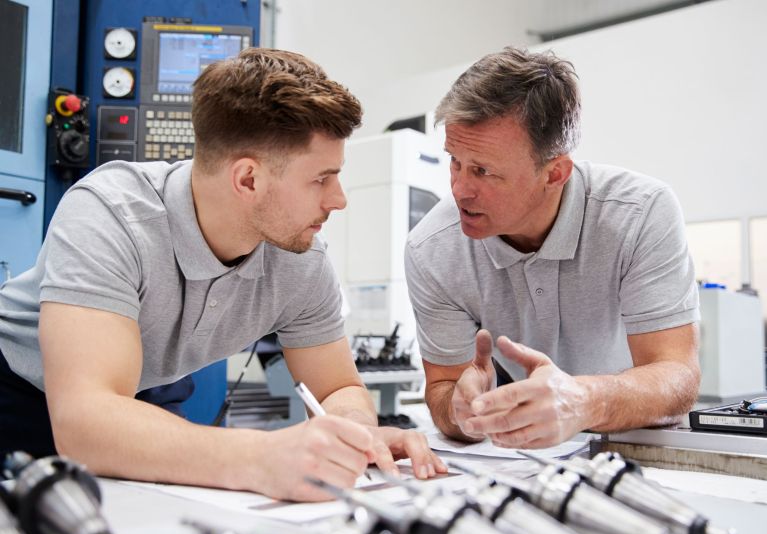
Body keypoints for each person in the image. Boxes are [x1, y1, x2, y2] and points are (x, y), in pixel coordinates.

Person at [0, 48, 445, 501]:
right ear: (248, 179)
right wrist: (261, 457)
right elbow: (86, 424)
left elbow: (338, 387)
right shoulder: (110, 214)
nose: (339, 199)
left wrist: (353, 434)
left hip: (139, 398)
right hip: (20, 396)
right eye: (321, 179)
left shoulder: (302, 259)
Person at [405, 46, 700, 449]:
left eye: (483, 171)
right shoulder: (431, 249)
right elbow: (442, 388)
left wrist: (583, 400)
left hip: (638, 444)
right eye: (455, 161)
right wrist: (460, 410)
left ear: (555, 172)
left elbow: (676, 375)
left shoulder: (641, 213)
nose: (458, 190)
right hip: (521, 460)